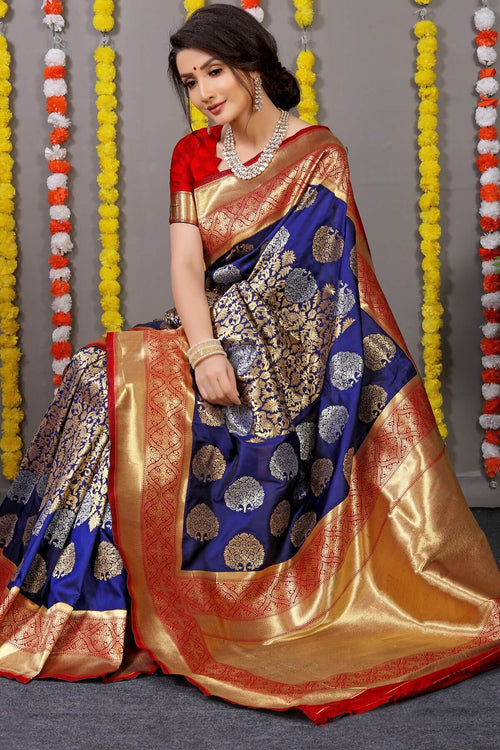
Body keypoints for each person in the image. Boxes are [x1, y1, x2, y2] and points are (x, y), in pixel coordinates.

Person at [0, 3, 499, 724]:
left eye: (214, 71)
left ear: (253, 65)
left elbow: (326, 279)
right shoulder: (193, 154)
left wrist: (248, 347)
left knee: (124, 386)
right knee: (91, 373)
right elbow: (186, 266)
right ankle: (79, 601)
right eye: (189, 80)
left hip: (295, 347)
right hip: (207, 326)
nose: (203, 91)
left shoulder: (318, 152)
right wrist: (205, 348)